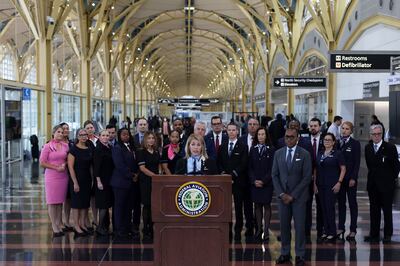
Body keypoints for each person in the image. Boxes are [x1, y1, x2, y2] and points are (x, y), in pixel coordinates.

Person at [271, 128, 312, 266]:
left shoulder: (305, 154)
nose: (289, 139)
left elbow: (307, 178)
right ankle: (285, 253)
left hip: (299, 198)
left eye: (292, 137)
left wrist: (292, 195)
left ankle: (300, 255)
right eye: (286, 137)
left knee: (300, 227)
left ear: (297, 138)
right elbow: (274, 175)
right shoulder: (278, 153)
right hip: (282, 198)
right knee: (284, 227)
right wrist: (282, 194)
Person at [364, 124, 400, 243]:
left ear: (382, 134)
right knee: (374, 211)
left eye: (379, 134)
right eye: (374, 134)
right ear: (371, 135)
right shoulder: (368, 147)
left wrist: (390, 180)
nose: (376, 136)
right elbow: (370, 166)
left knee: (387, 211)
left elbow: (396, 167)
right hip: (373, 185)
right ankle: (374, 234)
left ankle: (387, 234)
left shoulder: (390, 147)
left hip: (387, 186)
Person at [217, 123, 249, 241]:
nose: (231, 132)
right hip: (224, 183)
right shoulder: (222, 146)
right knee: (226, 207)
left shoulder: (243, 146)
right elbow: (219, 162)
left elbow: (244, 163)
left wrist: (233, 175)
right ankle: (228, 229)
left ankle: (238, 230)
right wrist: (223, 173)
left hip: (238, 182)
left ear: (237, 132)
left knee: (238, 208)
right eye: (229, 130)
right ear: (226, 132)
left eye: (233, 130)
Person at [314, 133, 346, 242]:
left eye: (329, 140)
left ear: (333, 142)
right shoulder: (320, 153)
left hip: (331, 185)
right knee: (323, 209)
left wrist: (339, 182)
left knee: (330, 208)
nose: (326, 141)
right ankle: (326, 231)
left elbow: (343, 169)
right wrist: (314, 184)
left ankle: (332, 232)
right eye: (325, 140)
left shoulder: (338, 154)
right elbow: (315, 170)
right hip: (320, 185)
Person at [39, 125, 70, 237]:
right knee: (52, 202)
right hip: (52, 176)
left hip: (63, 176)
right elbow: (42, 162)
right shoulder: (47, 146)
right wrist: (56, 167)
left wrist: (64, 164)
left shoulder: (65, 146)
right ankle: (54, 225)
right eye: (58, 132)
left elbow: (68, 159)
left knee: (59, 201)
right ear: (53, 133)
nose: (61, 134)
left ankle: (59, 222)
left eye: (62, 132)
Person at [248, 127, 275, 242]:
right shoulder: (253, 149)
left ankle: (266, 230)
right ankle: (259, 229)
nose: (260, 136)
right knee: (257, 206)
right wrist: (254, 180)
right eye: (259, 134)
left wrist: (264, 181)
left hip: (267, 183)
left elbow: (273, 168)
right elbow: (249, 167)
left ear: (266, 136)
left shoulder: (272, 149)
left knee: (267, 206)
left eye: (263, 134)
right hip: (255, 183)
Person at [110, 128, 138, 238]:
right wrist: (131, 175)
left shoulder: (131, 147)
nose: (126, 136)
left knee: (128, 206)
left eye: (127, 134)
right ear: (119, 136)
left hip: (131, 182)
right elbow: (120, 165)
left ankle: (126, 226)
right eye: (123, 135)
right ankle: (118, 228)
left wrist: (136, 174)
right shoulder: (117, 148)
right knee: (119, 206)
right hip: (120, 182)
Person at [67, 128, 94, 238]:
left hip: (87, 179)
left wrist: (92, 179)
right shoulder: (73, 150)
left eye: (85, 135)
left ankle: (82, 224)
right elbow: (70, 167)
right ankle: (76, 225)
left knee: (85, 204)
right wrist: (75, 183)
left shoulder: (88, 148)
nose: (83, 136)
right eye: (81, 135)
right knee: (76, 204)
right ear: (77, 136)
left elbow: (91, 166)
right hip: (76, 179)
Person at [337, 121, 361, 241]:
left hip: (350, 179)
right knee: (341, 204)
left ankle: (353, 229)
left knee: (352, 204)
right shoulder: (337, 143)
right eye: (343, 128)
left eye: (347, 129)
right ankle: (341, 227)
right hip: (340, 179)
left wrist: (353, 178)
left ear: (351, 131)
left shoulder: (355, 144)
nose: (344, 130)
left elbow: (357, 163)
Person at [137, 131, 160, 240]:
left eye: (153, 138)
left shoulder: (156, 152)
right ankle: (145, 229)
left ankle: (151, 227)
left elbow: (158, 165)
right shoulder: (141, 152)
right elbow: (142, 168)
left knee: (153, 206)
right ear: (145, 140)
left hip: (155, 182)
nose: (151, 140)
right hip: (146, 181)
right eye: (149, 138)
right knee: (146, 206)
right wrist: (155, 176)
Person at [305, 118, 324, 243]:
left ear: (320, 127)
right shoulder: (304, 141)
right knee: (306, 205)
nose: (313, 128)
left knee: (320, 205)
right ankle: (306, 231)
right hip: (306, 178)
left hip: (322, 178)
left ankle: (320, 230)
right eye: (311, 126)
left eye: (315, 126)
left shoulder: (326, 140)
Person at [93, 129, 114, 235]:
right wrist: (98, 181)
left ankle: (104, 226)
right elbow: (96, 167)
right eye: (103, 135)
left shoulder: (109, 147)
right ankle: (99, 227)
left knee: (106, 205)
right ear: (99, 137)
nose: (106, 137)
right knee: (103, 206)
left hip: (109, 179)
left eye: (107, 135)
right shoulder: (98, 149)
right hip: (101, 181)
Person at [59, 122, 74, 231]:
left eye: (67, 128)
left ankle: (67, 221)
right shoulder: (56, 143)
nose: (66, 130)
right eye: (63, 128)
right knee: (60, 199)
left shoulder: (71, 143)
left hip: (70, 173)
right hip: (60, 173)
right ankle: (59, 221)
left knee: (68, 199)